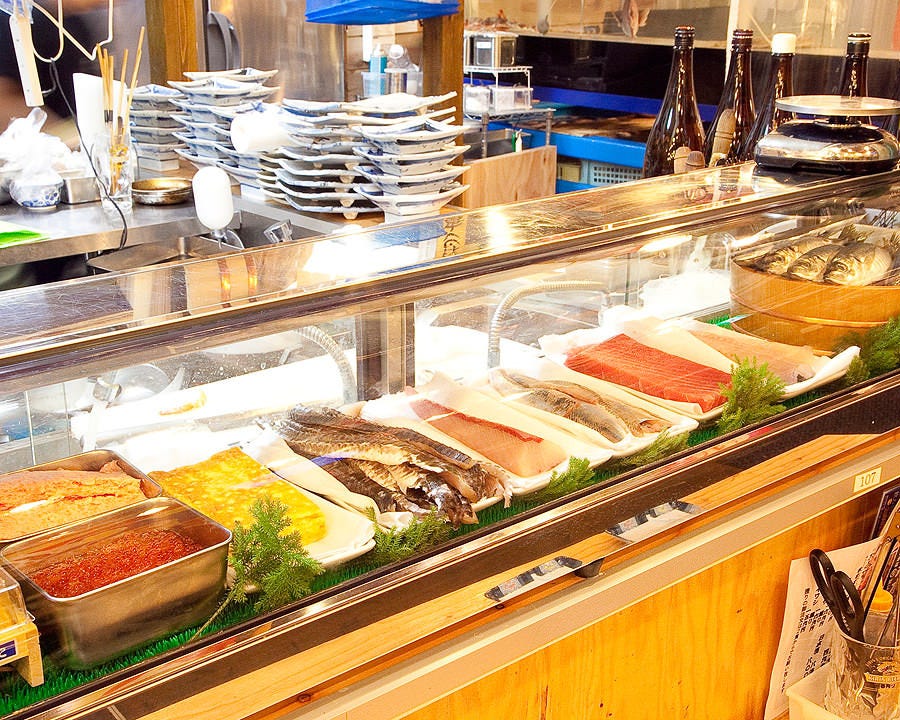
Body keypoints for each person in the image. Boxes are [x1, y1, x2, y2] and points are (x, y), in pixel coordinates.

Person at [0, 0, 106, 138]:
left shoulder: (75, 23)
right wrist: (64, 139)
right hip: (39, 144)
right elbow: (5, 101)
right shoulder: (13, 20)